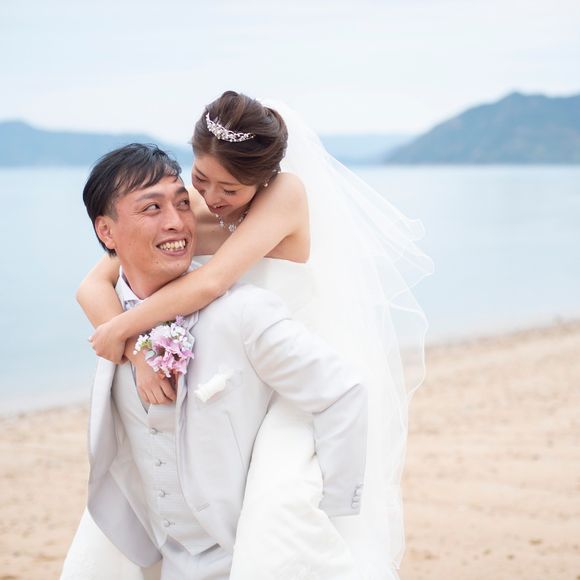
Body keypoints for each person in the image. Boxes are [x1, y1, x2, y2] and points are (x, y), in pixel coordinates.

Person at [66, 91, 433, 579]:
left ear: (262, 180)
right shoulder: (184, 207)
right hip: (226, 356)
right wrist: (138, 352)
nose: (210, 198)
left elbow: (213, 281)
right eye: (200, 178)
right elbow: (94, 283)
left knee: (278, 510)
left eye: (230, 190)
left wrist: (123, 326)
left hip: (286, 363)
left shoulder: (286, 196)